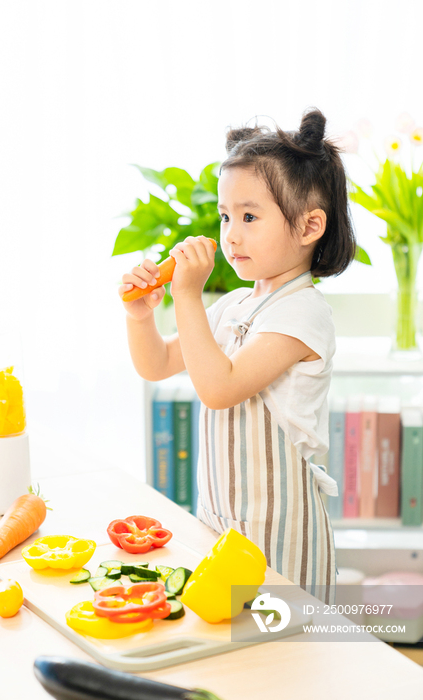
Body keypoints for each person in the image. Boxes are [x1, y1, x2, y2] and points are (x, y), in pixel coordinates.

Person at [119, 107, 356, 604]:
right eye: (227, 216)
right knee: (232, 652)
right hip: (222, 524)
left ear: (310, 225)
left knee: (284, 662)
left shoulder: (303, 313)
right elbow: (157, 365)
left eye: (250, 217)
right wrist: (142, 316)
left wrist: (187, 296)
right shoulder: (234, 306)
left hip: (280, 537)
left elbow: (220, 389)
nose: (231, 233)